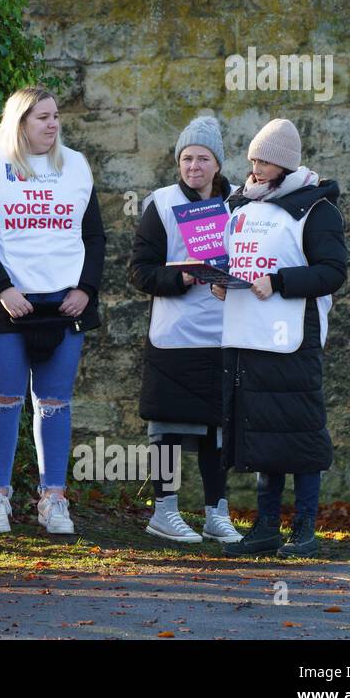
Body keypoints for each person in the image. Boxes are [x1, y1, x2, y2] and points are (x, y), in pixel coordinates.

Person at [0, 86, 106, 536]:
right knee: (2, 400)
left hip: (63, 304)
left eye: (56, 116)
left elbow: (95, 236)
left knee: (55, 404)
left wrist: (86, 289)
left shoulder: (75, 164)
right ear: (19, 121)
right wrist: (3, 288)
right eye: (42, 117)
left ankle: (53, 501)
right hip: (5, 305)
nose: (53, 124)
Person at [211, 118, 346, 558]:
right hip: (246, 335)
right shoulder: (240, 206)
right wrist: (218, 280)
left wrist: (280, 280)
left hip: (292, 337)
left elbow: (332, 272)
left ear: (286, 165)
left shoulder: (317, 209)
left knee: (301, 435)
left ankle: (304, 527)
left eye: (265, 161)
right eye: (252, 160)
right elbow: (233, 259)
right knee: (261, 436)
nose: (255, 169)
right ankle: (266, 526)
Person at [128, 115, 242, 544]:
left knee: (218, 429)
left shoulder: (239, 203)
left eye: (203, 158)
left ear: (217, 163)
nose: (193, 166)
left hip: (223, 334)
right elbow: (140, 272)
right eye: (187, 158)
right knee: (167, 429)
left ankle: (217, 512)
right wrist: (185, 277)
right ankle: (164, 510)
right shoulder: (160, 204)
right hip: (174, 336)